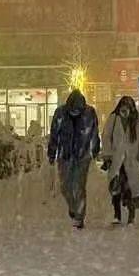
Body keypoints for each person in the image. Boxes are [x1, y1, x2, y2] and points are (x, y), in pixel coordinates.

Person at [48, 88, 100, 229]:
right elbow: (54, 133)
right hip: (65, 155)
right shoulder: (60, 113)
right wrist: (52, 152)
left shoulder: (89, 113)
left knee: (79, 186)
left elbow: (94, 132)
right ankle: (73, 206)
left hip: (82, 156)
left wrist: (95, 149)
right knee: (65, 186)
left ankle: (79, 216)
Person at [101, 94, 139, 225]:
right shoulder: (113, 118)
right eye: (123, 106)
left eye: (127, 106)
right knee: (116, 187)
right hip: (117, 160)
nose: (125, 109)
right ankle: (117, 214)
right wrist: (107, 154)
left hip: (133, 160)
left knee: (130, 189)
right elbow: (106, 136)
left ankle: (131, 215)